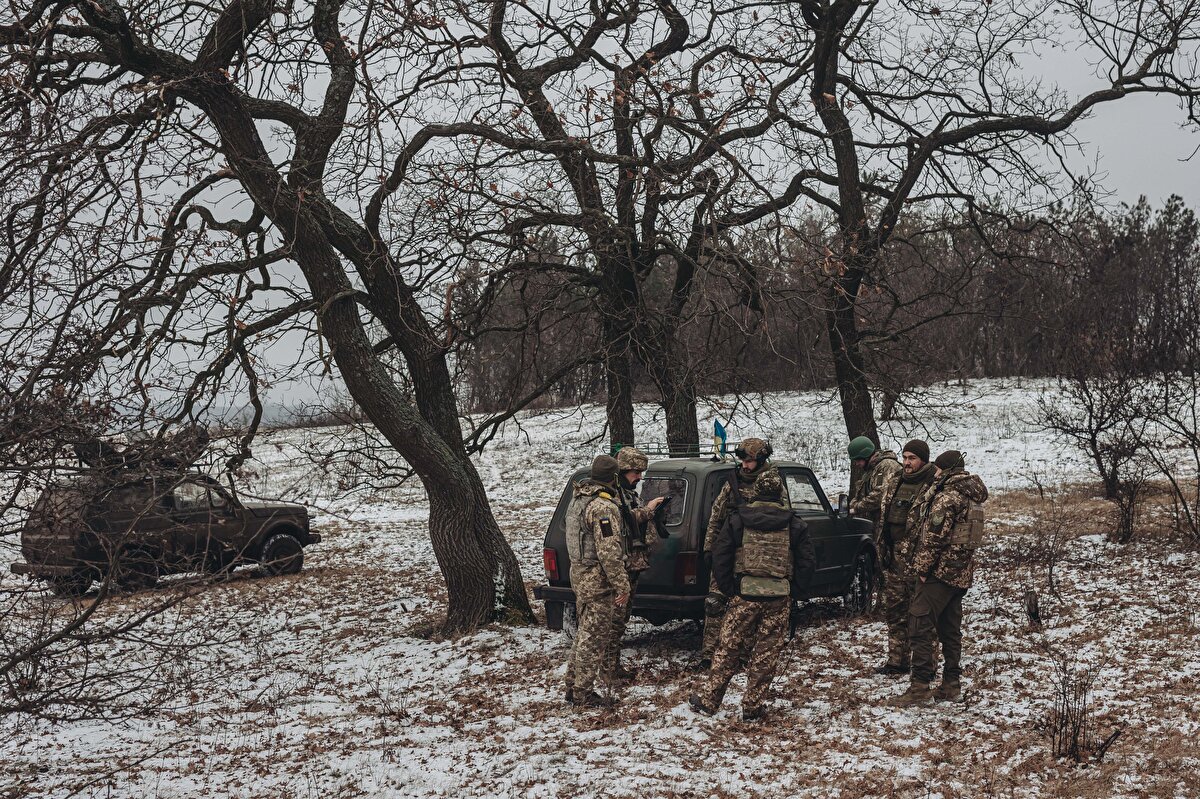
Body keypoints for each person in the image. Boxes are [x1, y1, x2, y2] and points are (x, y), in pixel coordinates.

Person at [688, 470, 814, 720]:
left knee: (728, 648)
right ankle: (753, 707)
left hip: (744, 595)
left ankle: (709, 700)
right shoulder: (795, 524)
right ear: (780, 495)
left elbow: (720, 556)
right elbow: (807, 563)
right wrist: (794, 591)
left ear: (755, 493)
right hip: (778, 597)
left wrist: (730, 588)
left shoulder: (738, 520)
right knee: (766, 654)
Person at [889, 450, 989, 707]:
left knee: (919, 625)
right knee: (950, 630)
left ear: (944, 471)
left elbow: (934, 538)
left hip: (938, 574)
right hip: (960, 574)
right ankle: (951, 684)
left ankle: (920, 688)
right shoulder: (973, 497)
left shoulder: (948, 498)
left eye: (937, 470)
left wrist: (922, 570)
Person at [699, 437, 779, 669]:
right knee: (715, 602)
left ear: (762, 460)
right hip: (728, 549)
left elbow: (782, 519)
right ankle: (709, 656)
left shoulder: (771, 484)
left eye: (749, 461)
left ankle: (743, 655)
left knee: (751, 605)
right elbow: (716, 517)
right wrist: (709, 548)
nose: (744, 465)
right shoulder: (732, 482)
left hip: (757, 554)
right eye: (742, 460)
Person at [563, 454, 632, 708]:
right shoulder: (603, 507)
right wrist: (622, 585)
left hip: (580, 576)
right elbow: (609, 553)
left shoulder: (579, 498)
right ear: (614, 477)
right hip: (597, 581)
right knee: (594, 639)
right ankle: (582, 693)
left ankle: (572, 687)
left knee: (583, 635)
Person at [872, 439, 936, 676]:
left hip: (920, 560)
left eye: (912, 458)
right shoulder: (895, 481)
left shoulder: (933, 485)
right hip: (894, 558)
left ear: (923, 460)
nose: (907, 463)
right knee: (895, 612)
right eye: (905, 457)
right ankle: (896, 661)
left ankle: (924, 667)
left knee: (921, 617)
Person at [605, 446, 665, 680]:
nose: (639, 477)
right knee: (614, 621)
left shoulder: (628, 492)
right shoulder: (612, 494)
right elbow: (622, 521)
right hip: (622, 564)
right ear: (622, 470)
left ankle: (613, 666)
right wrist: (646, 511)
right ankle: (609, 669)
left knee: (621, 620)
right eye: (635, 472)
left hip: (633, 564)